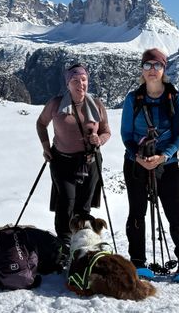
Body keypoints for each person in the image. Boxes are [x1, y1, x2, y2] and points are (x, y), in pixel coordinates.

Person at [119, 48, 179, 284]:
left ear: (164, 69)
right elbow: (126, 135)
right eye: (147, 66)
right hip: (137, 163)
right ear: (142, 70)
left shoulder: (174, 97)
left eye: (157, 66)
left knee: (175, 213)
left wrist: (162, 156)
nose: (152, 70)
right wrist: (138, 156)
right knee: (136, 212)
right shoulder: (133, 99)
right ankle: (138, 263)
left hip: (167, 164)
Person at [35, 63, 111, 247]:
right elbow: (41, 124)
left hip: (90, 161)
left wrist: (99, 140)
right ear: (67, 84)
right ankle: (64, 242)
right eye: (75, 80)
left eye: (83, 79)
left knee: (84, 205)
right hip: (62, 161)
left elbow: (106, 131)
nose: (80, 84)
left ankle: (80, 243)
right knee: (66, 202)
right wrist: (46, 147)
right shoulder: (55, 104)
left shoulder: (97, 104)